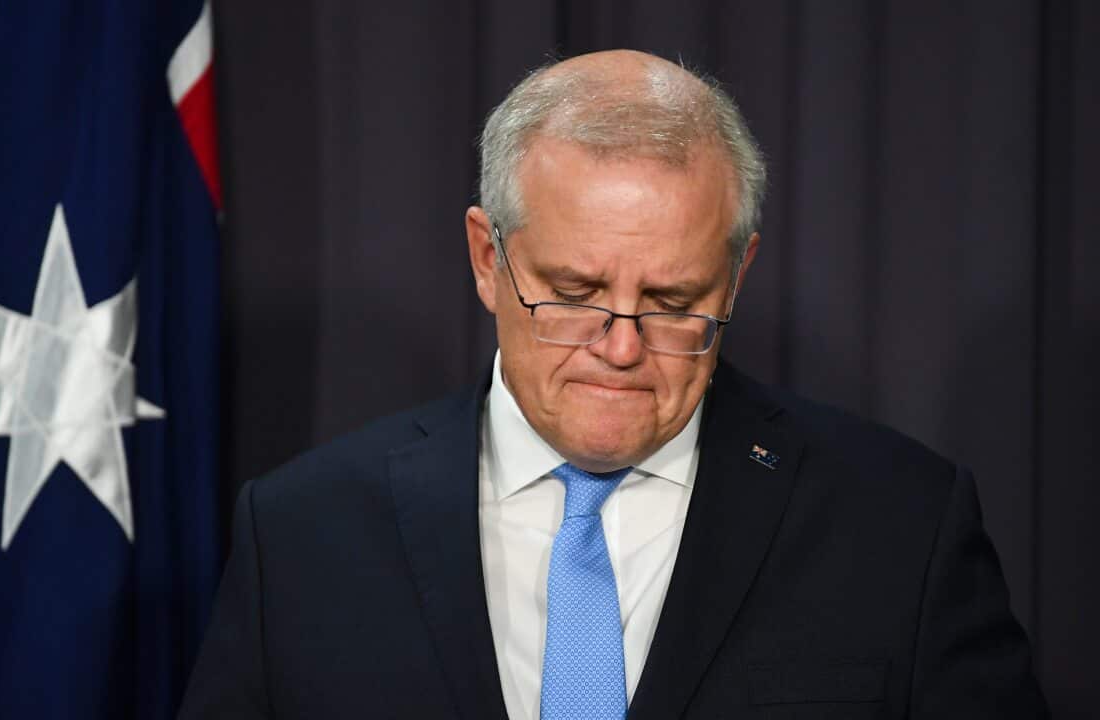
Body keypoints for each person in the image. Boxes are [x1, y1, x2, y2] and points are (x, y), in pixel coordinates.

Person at [179, 49, 1048, 719]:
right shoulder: (301, 535)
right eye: (573, 292)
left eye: (672, 301)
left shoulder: (900, 526)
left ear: (736, 276)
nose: (622, 347)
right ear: (487, 258)